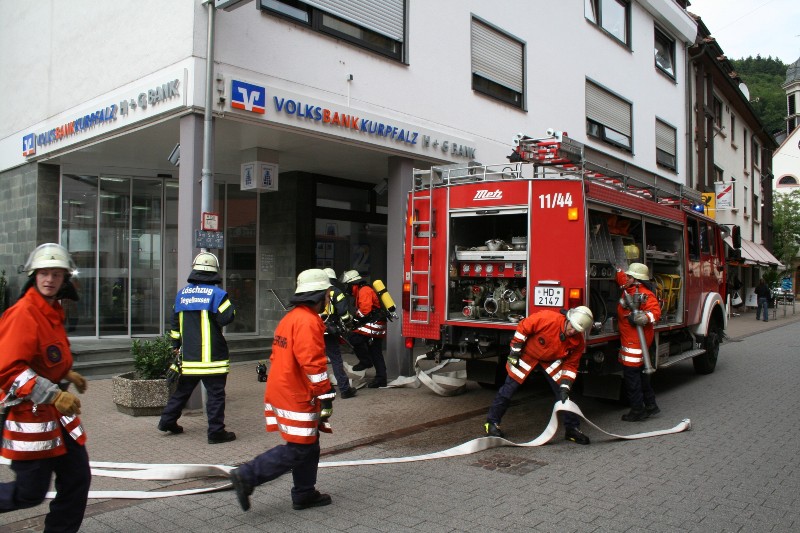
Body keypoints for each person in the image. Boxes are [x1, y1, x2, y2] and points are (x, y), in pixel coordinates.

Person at [0, 243, 91, 532]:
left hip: (56, 416)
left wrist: (67, 372)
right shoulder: (24, 313)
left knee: (77, 478)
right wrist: (54, 393)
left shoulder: (52, 311)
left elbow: (46, 356)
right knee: (30, 494)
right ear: (33, 275)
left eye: (56, 274)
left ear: (65, 279)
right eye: (44, 273)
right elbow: (8, 370)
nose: (50, 279)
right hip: (29, 417)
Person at [229, 269, 336, 512]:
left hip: (284, 387)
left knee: (310, 443)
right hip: (297, 393)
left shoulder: (290, 318)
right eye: (327, 295)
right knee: (300, 447)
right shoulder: (310, 321)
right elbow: (314, 364)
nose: (328, 300)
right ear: (319, 296)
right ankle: (247, 475)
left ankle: (304, 493)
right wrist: (326, 394)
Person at [484, 306, 594, 445]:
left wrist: (566, 385)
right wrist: (515, 352)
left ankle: (572, 429)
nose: (572, 331)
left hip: (550, 362)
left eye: (577, 330)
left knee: (563, 394)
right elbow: (523, 327)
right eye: (571, 326)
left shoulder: (578, 342)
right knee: (509, 388)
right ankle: (492, 423)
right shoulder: (548, 318)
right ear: (568, 319)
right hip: (527, 355)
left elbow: (571, 366)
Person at [158, 251, 237, 444]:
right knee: (216, 395)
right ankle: (216, 432)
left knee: (183, 391)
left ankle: (167, 421)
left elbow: (174, 326)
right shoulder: (217, 294)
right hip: (213, 358)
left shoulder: (182, 294)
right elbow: (227, 317)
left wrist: (175, 346)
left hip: (189, 356)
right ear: (214, 271)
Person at [616, 263, 662, 422]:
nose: (626, 278)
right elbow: (621, 277)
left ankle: (637, 410)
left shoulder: (645, 294)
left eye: (629, 276)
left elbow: (655, 313)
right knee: (642, 377)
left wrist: (644, 317)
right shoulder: (628, 289)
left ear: (637, 280)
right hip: (632, 341)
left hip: (635, 343)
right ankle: (650, 405)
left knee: (632, 378)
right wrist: (618, 268)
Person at [341, 270, 387, 388]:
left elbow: (365, 310)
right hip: (375, 324)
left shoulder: (364, 290)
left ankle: (365, 362)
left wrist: (355, 320)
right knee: (375, 352)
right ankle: (381, 378)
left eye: (348, 286)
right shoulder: (363, 290)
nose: (348, 289)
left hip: (373, 325)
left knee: (354, 338)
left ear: (353, 284)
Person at [321, 268, 356, 399]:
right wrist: (348, 324)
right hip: (329, 331)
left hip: (314, 330)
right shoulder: (335, 291)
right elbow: (343, 312)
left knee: (314, 360)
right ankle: (345, 389)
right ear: (333, 279)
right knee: (336, 359)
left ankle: (320, 389)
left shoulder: (315, 291)